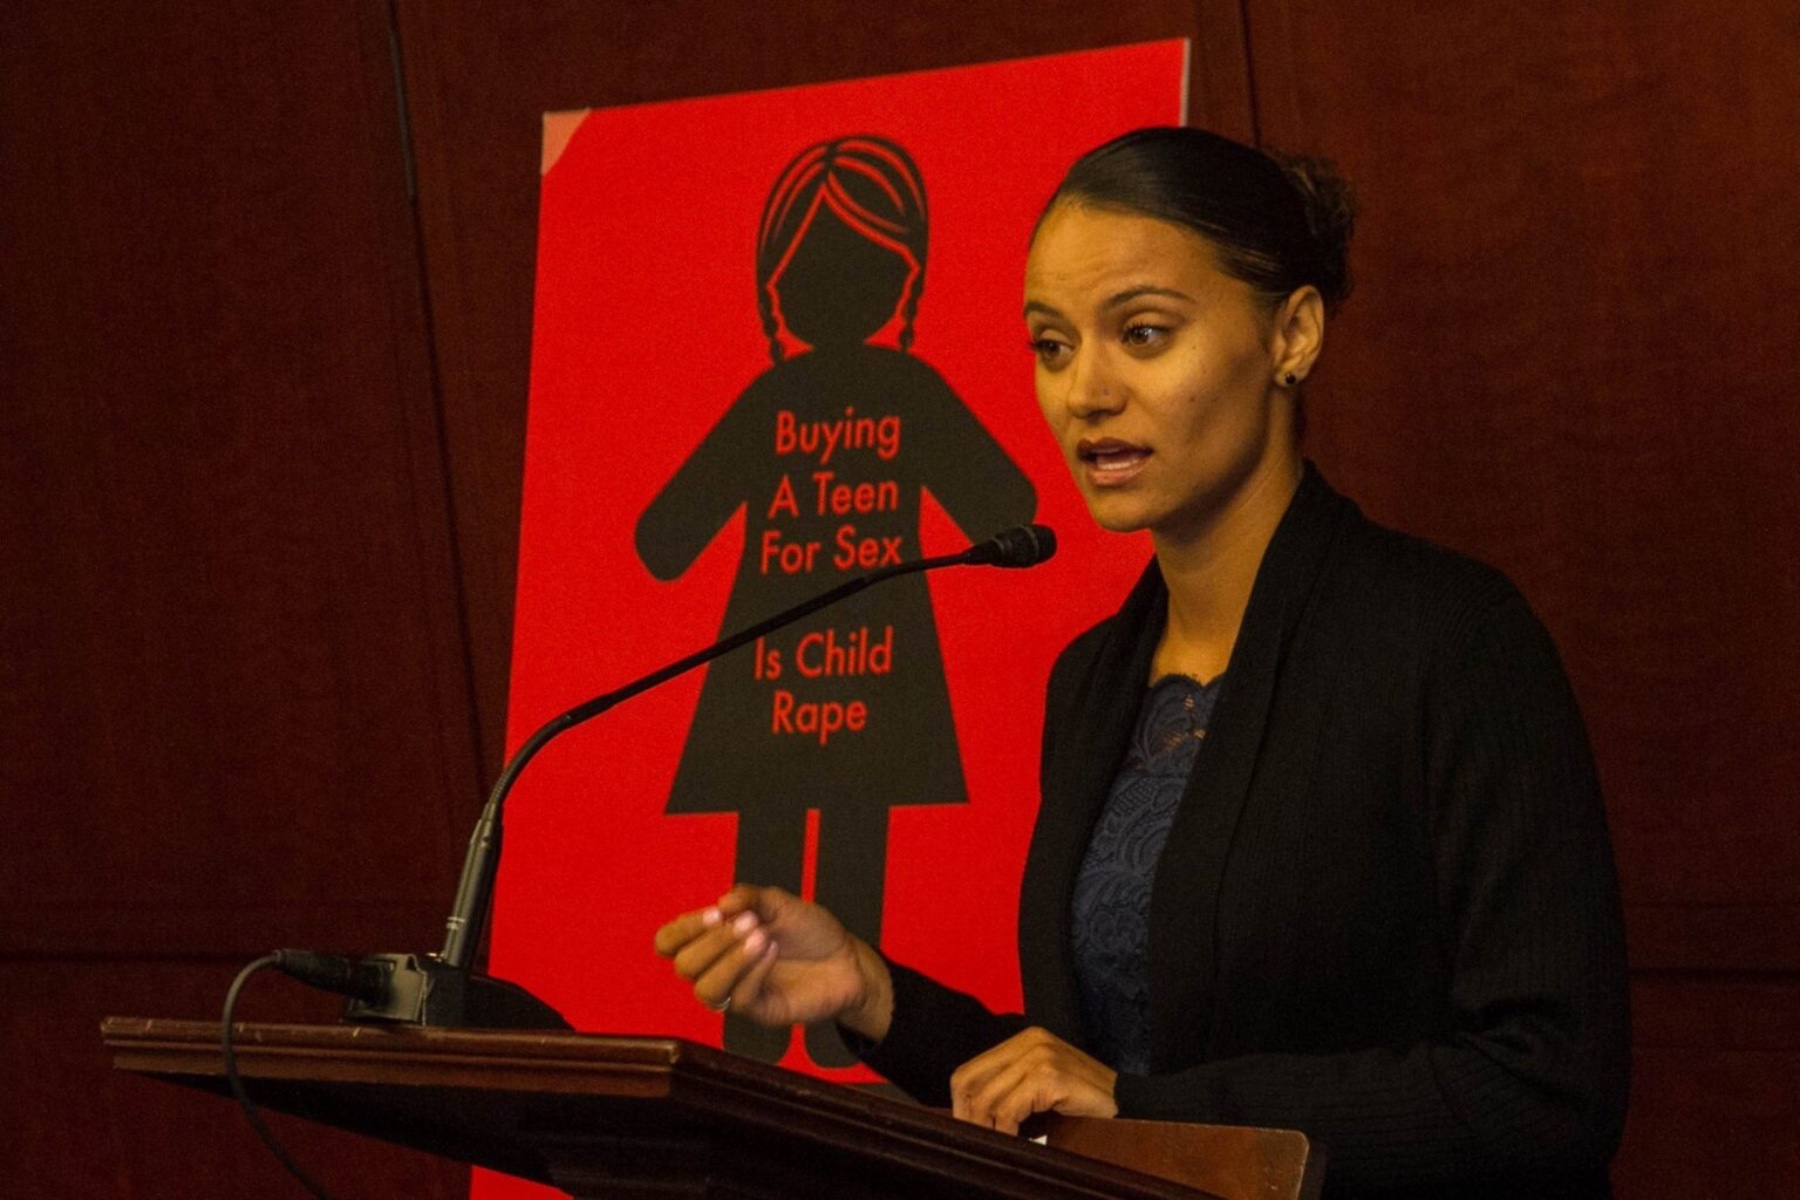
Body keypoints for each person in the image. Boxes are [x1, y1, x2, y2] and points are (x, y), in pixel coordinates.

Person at [653, 126, 1630, 1198]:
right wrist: (872, 994)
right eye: (1052, 345)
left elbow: (1548, 1091)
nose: (1085, 393)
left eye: (1144, 334)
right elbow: (1082, 1078)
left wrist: (1145, 1110)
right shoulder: (1097, 679)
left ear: (1293, 335)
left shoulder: (1449, 639)